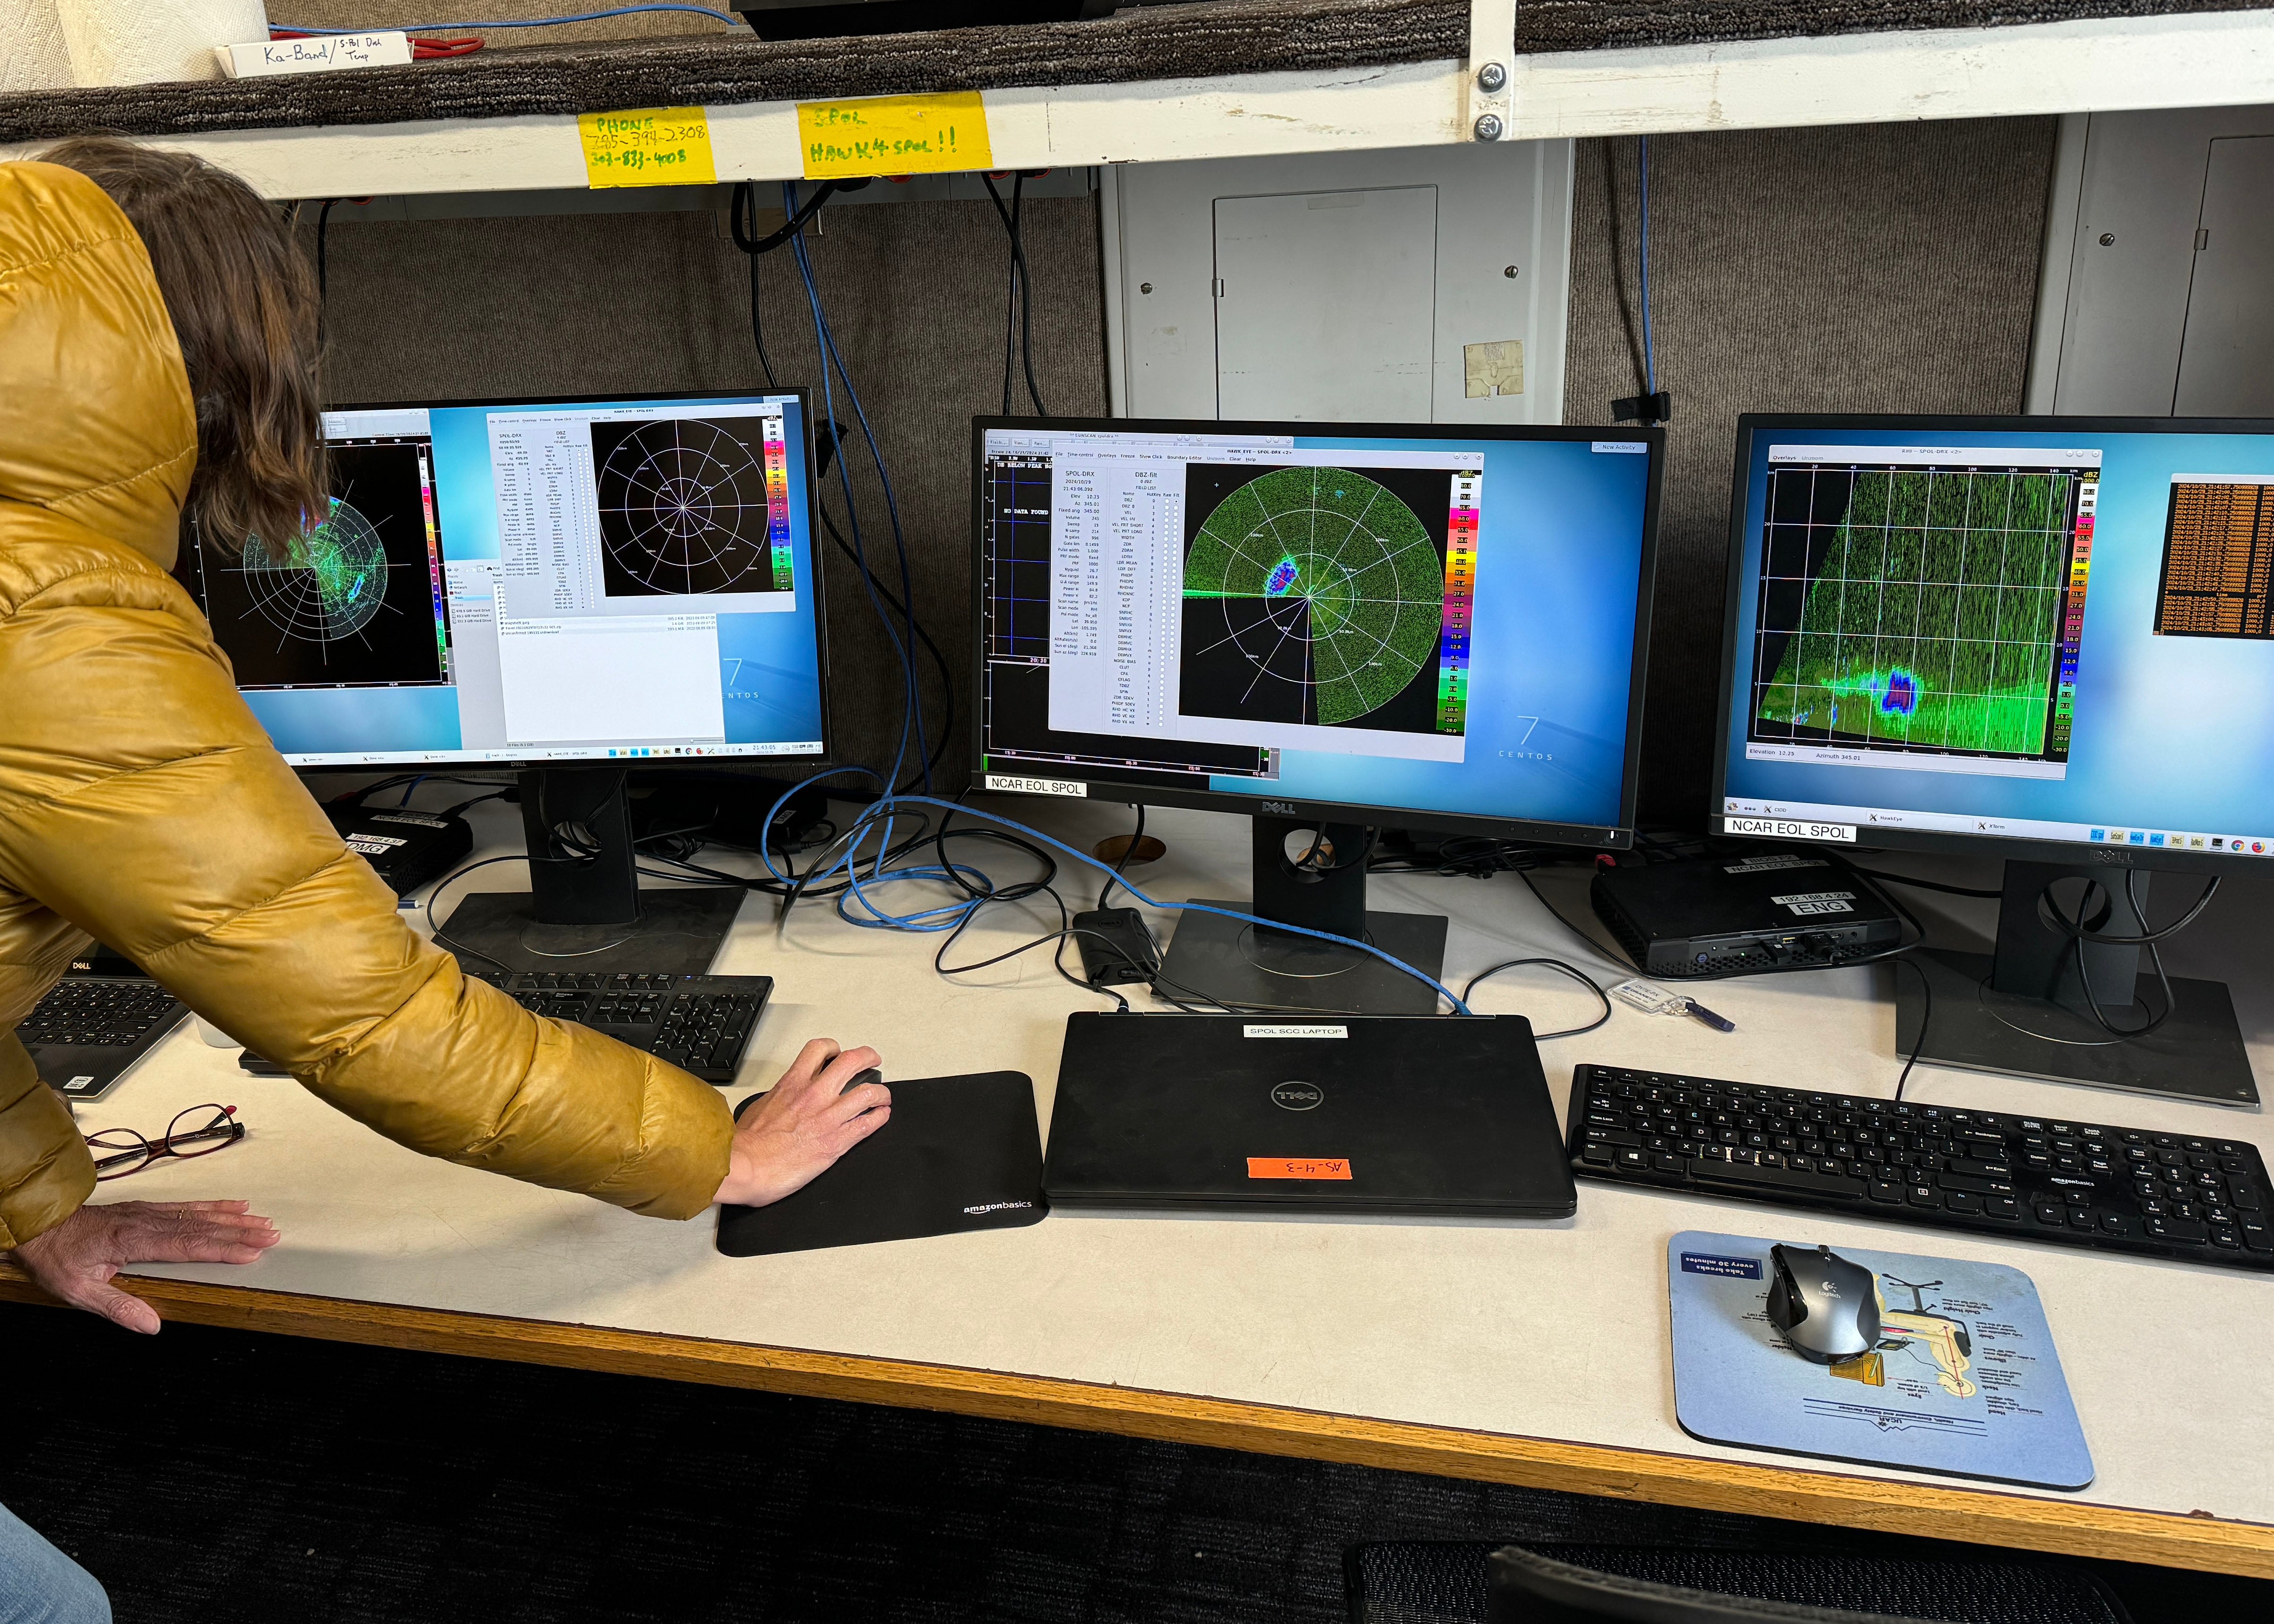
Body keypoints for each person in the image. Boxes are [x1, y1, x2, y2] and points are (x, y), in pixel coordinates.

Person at [0, 141, 891, 1623]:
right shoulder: (46, 615)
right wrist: (713, 1154)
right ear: (212, 372)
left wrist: (34, 1193)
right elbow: (377, 1023)